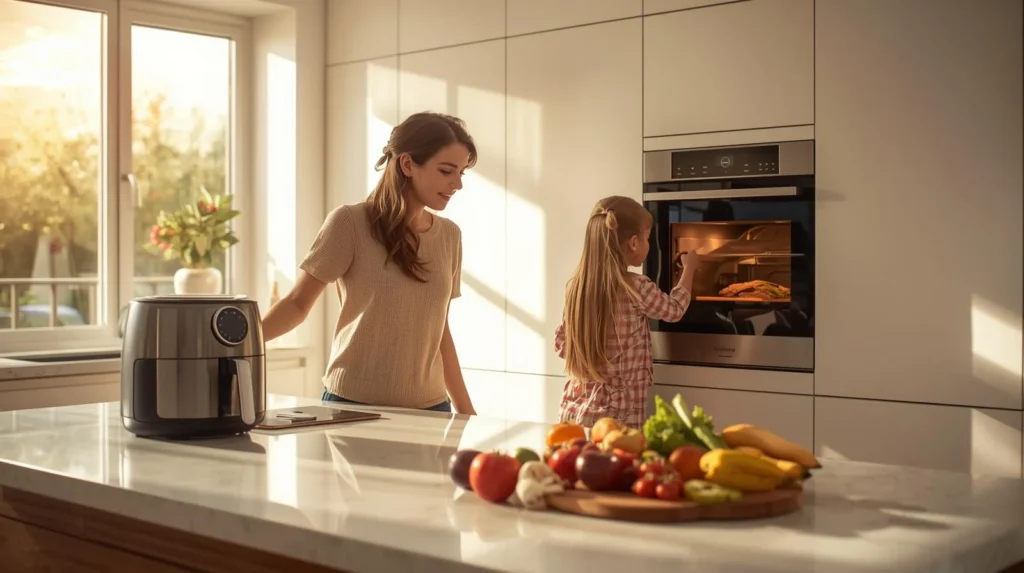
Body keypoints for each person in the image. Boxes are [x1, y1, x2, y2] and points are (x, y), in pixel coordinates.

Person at [261, 112, 477, 415]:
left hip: (431, 411)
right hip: (351, 408)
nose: (457, 184)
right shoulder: (349, 223)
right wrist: (235, 344)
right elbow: (297, 303)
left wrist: (467, 414)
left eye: (461, 173)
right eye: (446, 171)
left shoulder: (449, 236)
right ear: (407, 164)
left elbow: (440, 329)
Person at [554, 196, 697, 429]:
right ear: (633, 243)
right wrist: (690, 268)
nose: (649, 245)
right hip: (617, 417)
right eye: (647, 238)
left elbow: (562, 342)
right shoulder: (636, 287)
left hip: (576, 409)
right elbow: (674, 310)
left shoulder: (575, 287)